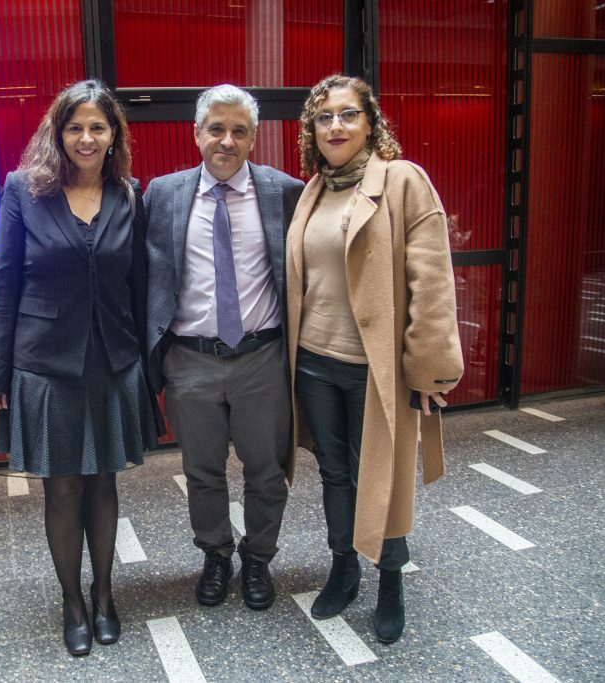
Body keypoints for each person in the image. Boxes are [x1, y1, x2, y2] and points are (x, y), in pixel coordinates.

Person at [0, 80, 158, 656]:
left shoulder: (129, 193)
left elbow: (138, 286)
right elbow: (5, 281)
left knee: (103, 480)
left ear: (113, 135)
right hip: (45, 363)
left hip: (112, 360)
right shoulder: (23, 190)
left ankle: (104, 595)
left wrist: (148, 366)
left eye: (97, 127)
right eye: (75, 127)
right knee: (62, 488)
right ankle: (73, 603)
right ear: (57, 134)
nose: (86, 138)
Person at [286, 74, 463, 644]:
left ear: (370, 123)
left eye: (348, 114)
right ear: (312, 130)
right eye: (324, 117)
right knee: (334, 473)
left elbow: (431, 282)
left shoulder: (403, 180)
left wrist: (429, 368)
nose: (335, 126)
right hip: (313, 361)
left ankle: (390, 579)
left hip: (374, 369)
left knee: (380, 475)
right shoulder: (314, 190)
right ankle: (344, 568)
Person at [145, 85, 304, 610]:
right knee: (202, 472)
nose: (227, 141)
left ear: (254, 138)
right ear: (197, 134)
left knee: (267, 472)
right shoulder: (163, 194)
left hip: (263, 358)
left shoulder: (285, 192)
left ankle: (258, 559)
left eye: (239, 131)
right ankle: (216, 555)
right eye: (216, 129)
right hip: (190, 361)